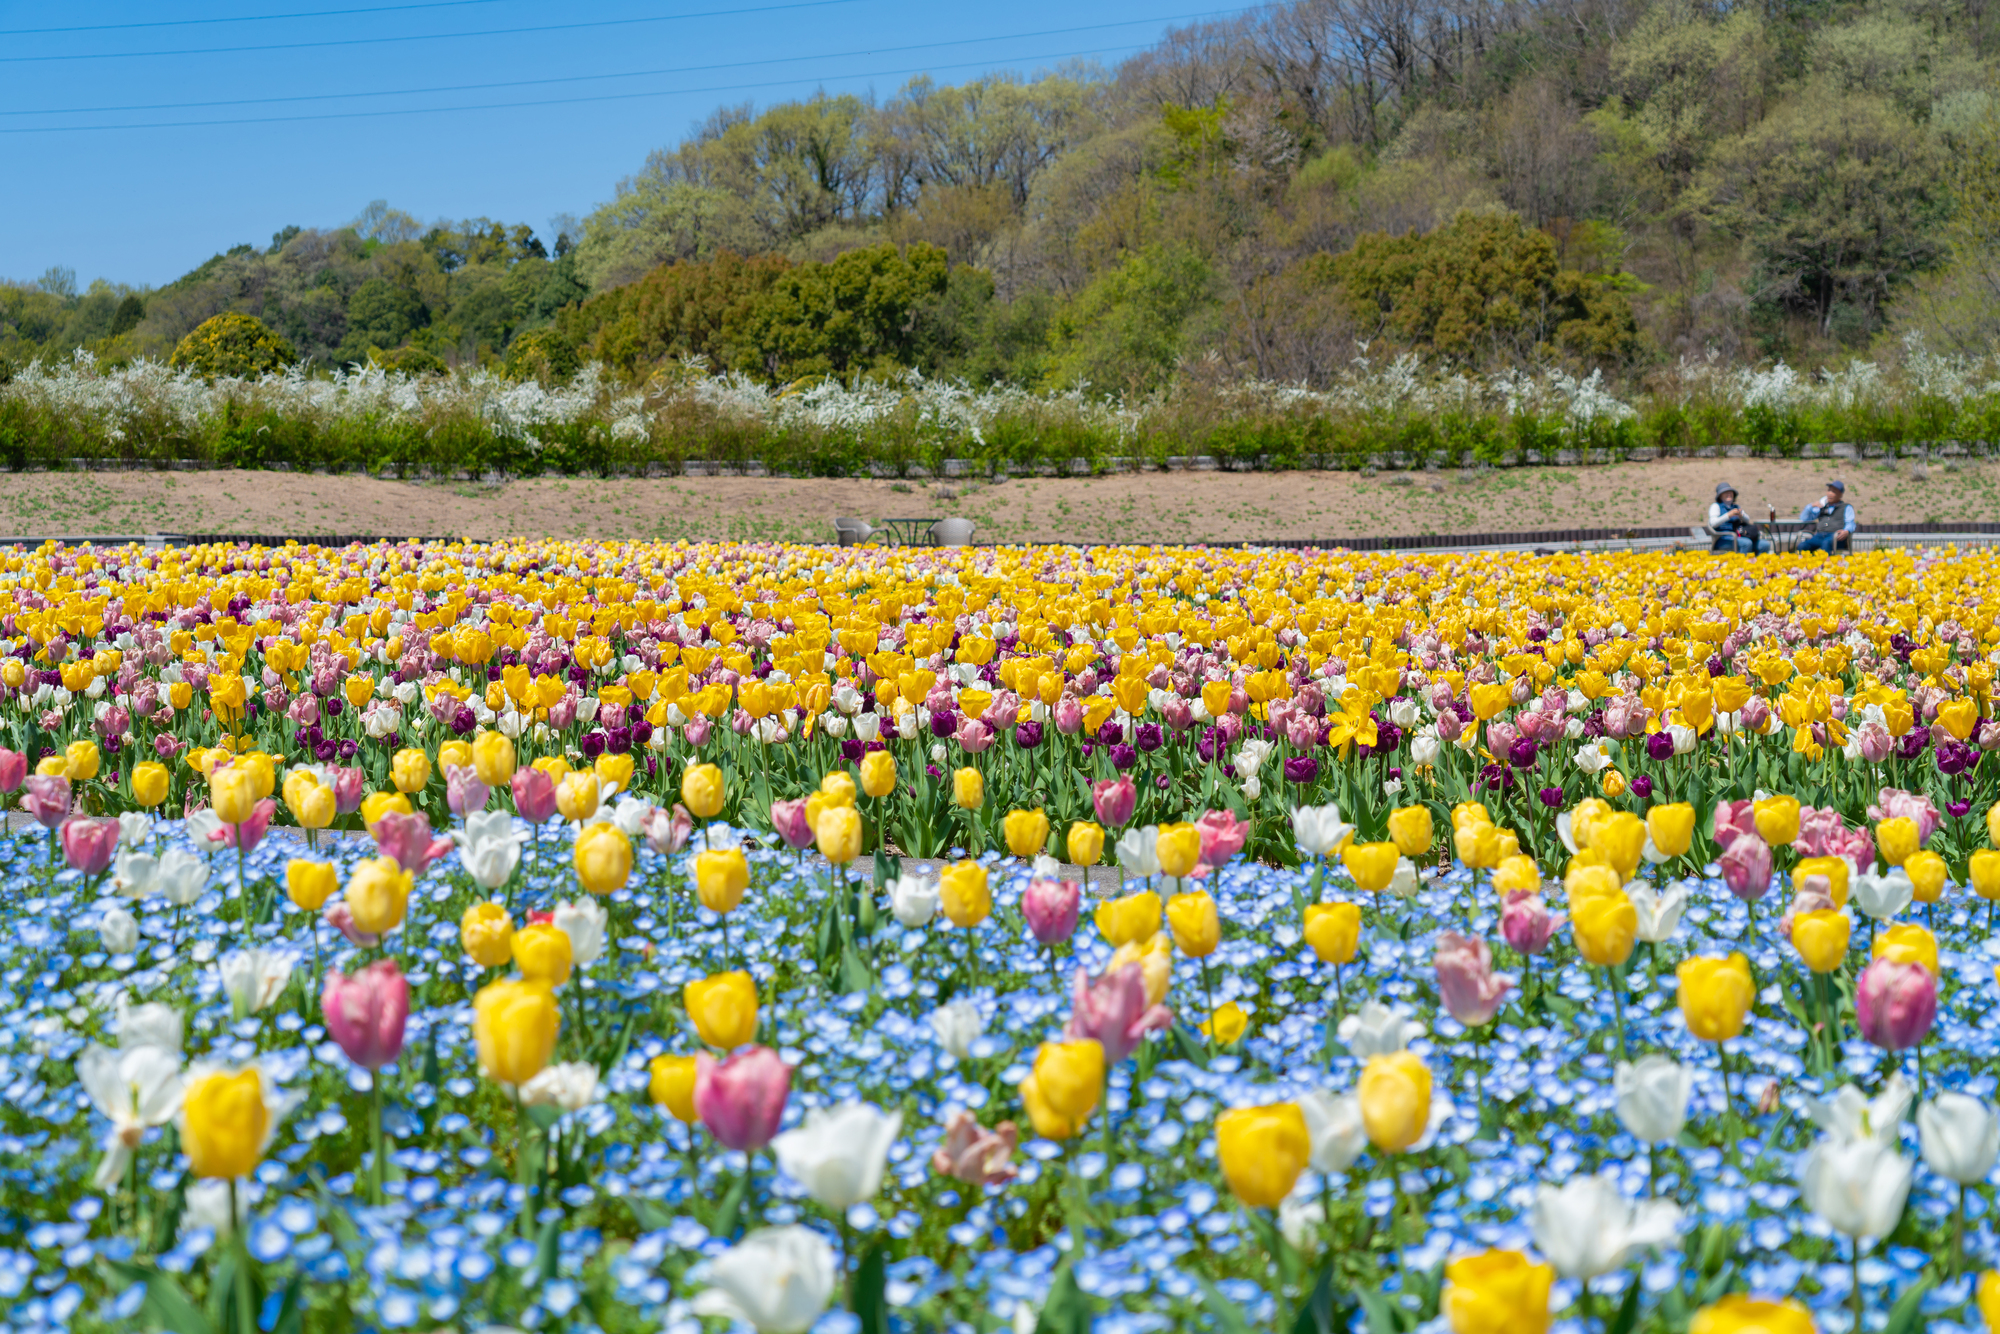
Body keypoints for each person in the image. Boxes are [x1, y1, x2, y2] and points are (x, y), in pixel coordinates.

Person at [1798, 480, 1856, 554]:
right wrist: (1810, 506)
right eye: (1829, 490)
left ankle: (1825, 564)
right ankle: (1805, 564)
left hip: (1835, 537)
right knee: (1803, 546)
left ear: (1840, 494)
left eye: (1834, 491)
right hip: (1819, 536)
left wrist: (1847, 531)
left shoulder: (1846, 507)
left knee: (1826, 543)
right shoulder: (1822, 506)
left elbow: (1850, 522)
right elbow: (1804, 519)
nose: (1830, 494)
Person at [1707, 483, 1762, 554]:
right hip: (1723, 538)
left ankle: (1758, 563)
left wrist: (1741, 515)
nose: (1729, 494)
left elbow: (1748, 520)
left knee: (1764, 545)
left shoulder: (1736, 506)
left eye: (1730, 492)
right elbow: (1713, 523)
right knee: (1746, 543)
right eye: (1725, 492)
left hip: (1739, 535)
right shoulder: (1715, 506)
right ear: (1720, 496)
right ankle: (1742, 563)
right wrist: (1728, 515)